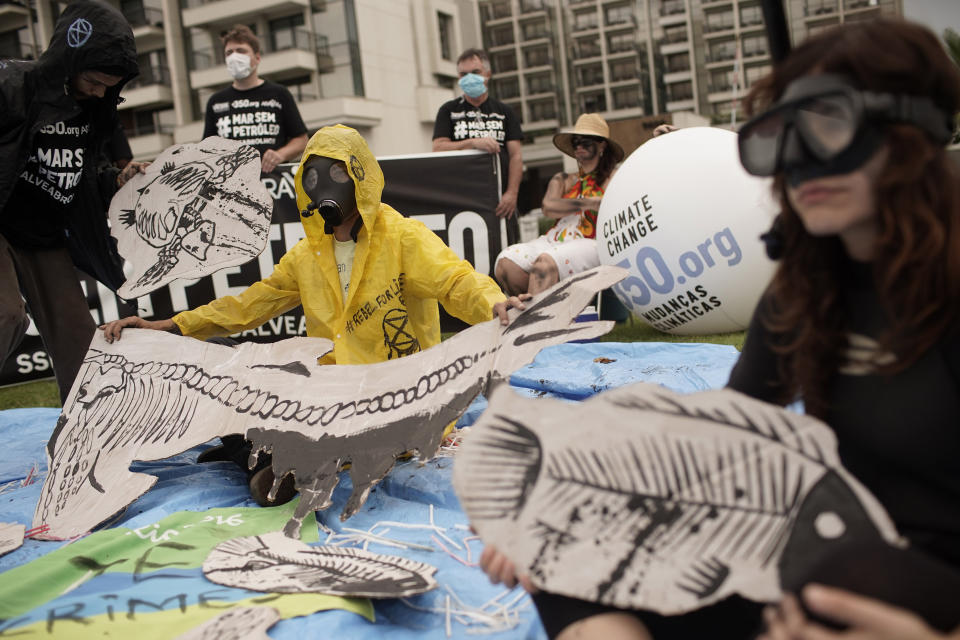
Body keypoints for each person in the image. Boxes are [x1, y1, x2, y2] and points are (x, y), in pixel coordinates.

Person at [480, 17, 960, 640]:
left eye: (828, 126)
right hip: (818, 561)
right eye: (782, 137)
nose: (800, 161)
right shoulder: (807, 292)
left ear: (908, 135)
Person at [102, 124, 527, 504]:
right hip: (329, 393)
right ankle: (249, 450)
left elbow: (456, 280)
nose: (324, 184)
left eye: (337, 173)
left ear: (362, 175)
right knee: (225, 361)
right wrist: (170, 326)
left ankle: (270, 459)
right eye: (313, 175)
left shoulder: (403, 237)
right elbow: (250, 305)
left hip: (397, 398)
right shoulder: (309, 254)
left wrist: (493, 304)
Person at [0, 0, 147, 403]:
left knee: (79, 348)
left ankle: (78, 445)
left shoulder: (95, 112)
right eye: (94, 81)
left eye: (109, 85)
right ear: (70, 60)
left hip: (44, 233)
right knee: (7, 315)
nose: (101, 91)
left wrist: (117, 179)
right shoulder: (15, 87)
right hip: (3, 221)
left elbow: (80, 179)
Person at [494, 113, 622, 296]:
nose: (579, 146)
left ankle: (535, 321)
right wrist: (588, 203)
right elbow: (548, 207)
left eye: (585, 141)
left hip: (592, 242)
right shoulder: (564, 179)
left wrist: (570, 204)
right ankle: (544, 307)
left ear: (602, 145)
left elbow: (608, 207)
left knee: (544, 264)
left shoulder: (615, 177)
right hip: (554, 239)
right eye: (576, 142)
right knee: (505, 263)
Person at [432, 48, 523, 243]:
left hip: (501, 201)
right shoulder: (448, 111)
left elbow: (516, 156)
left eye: (475, 72)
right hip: (461, 200)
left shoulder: (504, 112)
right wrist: (471, 143)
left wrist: (512, 193)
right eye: (463, 74)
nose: (469, 78)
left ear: (487, 75)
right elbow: (438, 147)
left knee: (508, 250)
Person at [202, 25, 308, 174]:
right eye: (229, 53)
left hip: (274, 183)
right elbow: (206, 150)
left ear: (257, 57)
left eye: (241, 51)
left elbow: (301, 140)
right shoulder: (216, 102)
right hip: (231, 186)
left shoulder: (279, 94)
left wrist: (280, 154)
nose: (234, 57)